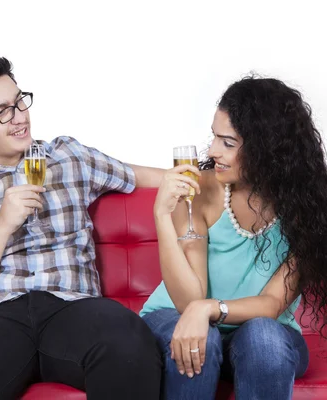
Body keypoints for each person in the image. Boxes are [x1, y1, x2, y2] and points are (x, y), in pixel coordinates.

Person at [0, 56, 165, 399]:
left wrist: (219, 178)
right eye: (2, 112)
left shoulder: (69, 156)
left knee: (128, 341)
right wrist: (3, 225)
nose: (20, 117)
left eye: (19, 101)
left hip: (74, 306)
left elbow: (147, 177)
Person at [140, 76, 327, 399]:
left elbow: (271, 304)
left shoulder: (308, 207)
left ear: (268, 149)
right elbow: (189, 300)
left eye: (228, 143)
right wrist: (161, 216)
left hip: (258, 331)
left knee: (264, 338)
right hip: (177, 317)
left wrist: (208, 309)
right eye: (214, 137)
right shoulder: (202, 190)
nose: (212, 151)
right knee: (205, 339)